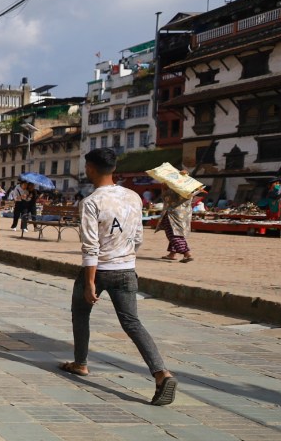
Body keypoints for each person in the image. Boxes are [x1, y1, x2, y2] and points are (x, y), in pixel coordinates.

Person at [61, 148, 177, 406]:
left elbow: (91, 247)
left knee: (81, 313)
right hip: (126, 269)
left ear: (90, 168)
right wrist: (126, 258)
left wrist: (90, 281)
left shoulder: (91, 202)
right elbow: (138, 237)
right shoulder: (134, 197)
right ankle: (161, 373)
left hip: (99, 269)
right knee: (132, 323)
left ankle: (80, 363)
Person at [156, 187, 194, 263]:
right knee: (178, 234)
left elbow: (166, 198)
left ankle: (186, 253)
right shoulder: (188, 188)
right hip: (184, 215)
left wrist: (164, 189)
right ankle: (172, 254)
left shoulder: (174, 189)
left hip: (173, 215)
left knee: (173, 235)